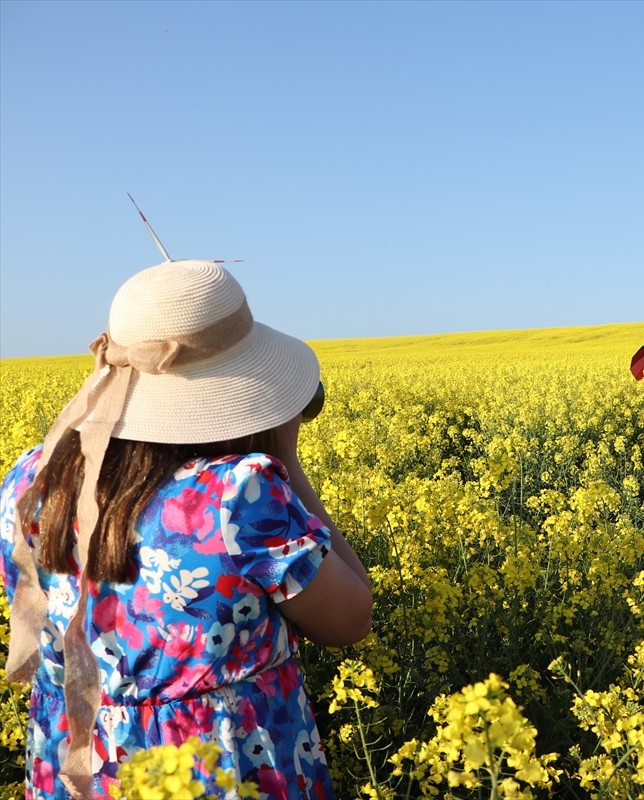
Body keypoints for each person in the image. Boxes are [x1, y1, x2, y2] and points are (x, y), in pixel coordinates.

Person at [0, 260, 373, 799]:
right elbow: (351, 618)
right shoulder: (240, 495)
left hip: (75, 764)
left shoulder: (28, 479)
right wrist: (286, 460)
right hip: (214, 767)